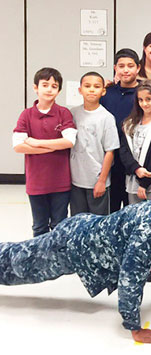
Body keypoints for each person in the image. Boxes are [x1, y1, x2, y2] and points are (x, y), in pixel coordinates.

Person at [0, 189, 151, 345]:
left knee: (20, 260)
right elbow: (131, 277)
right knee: (19, 265)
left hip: (88, 237)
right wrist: (134, 327)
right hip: (74, 243)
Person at [13, 67, 76, 236]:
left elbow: (69, 141)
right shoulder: (26, 115)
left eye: (54, 86)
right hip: (36, 182)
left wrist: (36, 143)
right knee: (39, 226)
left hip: (61, 182)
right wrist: (53, 146)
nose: (49, 89)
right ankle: (39, 261)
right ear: (35, 88)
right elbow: (18, 146)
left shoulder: (64, 113)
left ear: (59, 90)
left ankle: (58, 262)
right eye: (45, 85)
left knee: (59, 225)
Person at [70, 72, 120, 216]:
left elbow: (110, 152)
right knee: (77, 222)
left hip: (97, 181)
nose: (91, 89)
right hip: (75, 181)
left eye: (96, 86)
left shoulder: (107, 118)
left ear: (103, 91)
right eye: (87, 86)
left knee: (98, 224)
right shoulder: (73, 114)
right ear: (80, 90)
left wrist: (102, 181)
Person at [101, 48, 141, 213]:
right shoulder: (106, 93)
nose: (126, 70)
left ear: (138, 68)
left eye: (130, 66)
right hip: (112, 160)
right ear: (115, 68)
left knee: (133, 210)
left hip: (135, 160)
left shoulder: (144, 94)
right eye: (121, 66)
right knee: (112, 209)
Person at [120, 80, 151, 205]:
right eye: (140, 100)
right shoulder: (129, 124)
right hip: (133, 182)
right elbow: (124, 151)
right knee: (134, 220)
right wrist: (136, 169)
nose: (144, 103)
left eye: (148, 99)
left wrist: (144, 183)